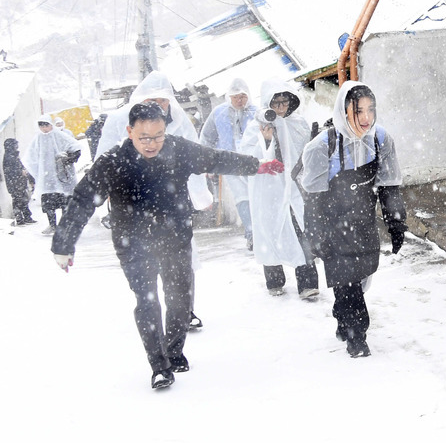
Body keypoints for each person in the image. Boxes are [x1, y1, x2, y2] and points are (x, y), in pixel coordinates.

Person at [52, 102, 281, 390]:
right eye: (144, 137)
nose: (152, 144)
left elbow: (214, 158)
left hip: (174, 237)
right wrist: (64, 243)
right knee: (147, 301)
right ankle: (159, 366)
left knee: (180, 297)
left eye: (158, 136)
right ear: (129, 131)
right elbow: (83, 199)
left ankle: (174, 351)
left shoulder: (177, 149)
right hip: (132, 243)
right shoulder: (113, 161)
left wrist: (256, 166)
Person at [98, 71, 216, 327]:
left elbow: (195, 158)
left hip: (173, 200)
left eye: (163, 101)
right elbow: (103, 160)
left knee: (183, 259)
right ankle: (151, 314)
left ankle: (185, 313)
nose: (158, 105)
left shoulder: (180, 121)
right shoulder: (120, 120)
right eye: (152, 100)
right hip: (135, 203)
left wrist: (200, 195)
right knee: (144, 260)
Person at [300, 81, 406, 358]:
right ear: (344, 110)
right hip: (333, 225)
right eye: (358, 111)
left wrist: (396, 223)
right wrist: (316, 236)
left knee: (359, 279)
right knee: (346, 280)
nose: (366, 118)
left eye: (370, 110)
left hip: (363, 224)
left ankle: (343, 317)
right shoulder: (322, 147)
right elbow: (313, 199)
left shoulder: (380, 139)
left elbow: (389, 185)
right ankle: (357, 337)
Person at [241, 80, 319, 299]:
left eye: (285, 102)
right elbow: (247, 156)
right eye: (276, 102)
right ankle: (274, 280)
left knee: (301, 232)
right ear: (268, 103)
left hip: (294, 189)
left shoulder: (298, 123)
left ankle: (308, 283)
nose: (281, 107)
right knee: (270, 233)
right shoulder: (255, 125)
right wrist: (265, 141)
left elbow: (307, 152)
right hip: (268, 191)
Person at [201, 78, 259, 250]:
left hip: (255, 164)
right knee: (242, 199)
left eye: (242, 96)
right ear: (229, 97)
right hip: (230, 165)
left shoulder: (257, 113)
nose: (239, 100)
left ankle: (262, 233)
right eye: (235, 97)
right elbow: (207, 138)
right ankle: (251, 235)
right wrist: (207, 163)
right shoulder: (218, 113)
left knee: (257, 197)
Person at [23, 115, 84, 235]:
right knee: (49, 203)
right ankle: (52, 225)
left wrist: (70, 158)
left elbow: (75, 147)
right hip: (47, 178)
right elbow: (31, 156)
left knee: (64, 202)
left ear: (51, 124)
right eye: (41, 126)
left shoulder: (59, 135)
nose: (44, 128)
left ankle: (65, 226)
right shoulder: (38, 138)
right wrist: (34, 171)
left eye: (46, 125)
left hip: (61, 175)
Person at [4, 137, 36, 226]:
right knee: (18, 200)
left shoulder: (13, 156)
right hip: (15, 183)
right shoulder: (9, 157)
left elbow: (21, 167)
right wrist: (21, 173)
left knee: (23, 200)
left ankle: (26, 217)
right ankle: (20, 218)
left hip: (19, 182)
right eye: (15, 145)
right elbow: (11, 171)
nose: (17, 146)